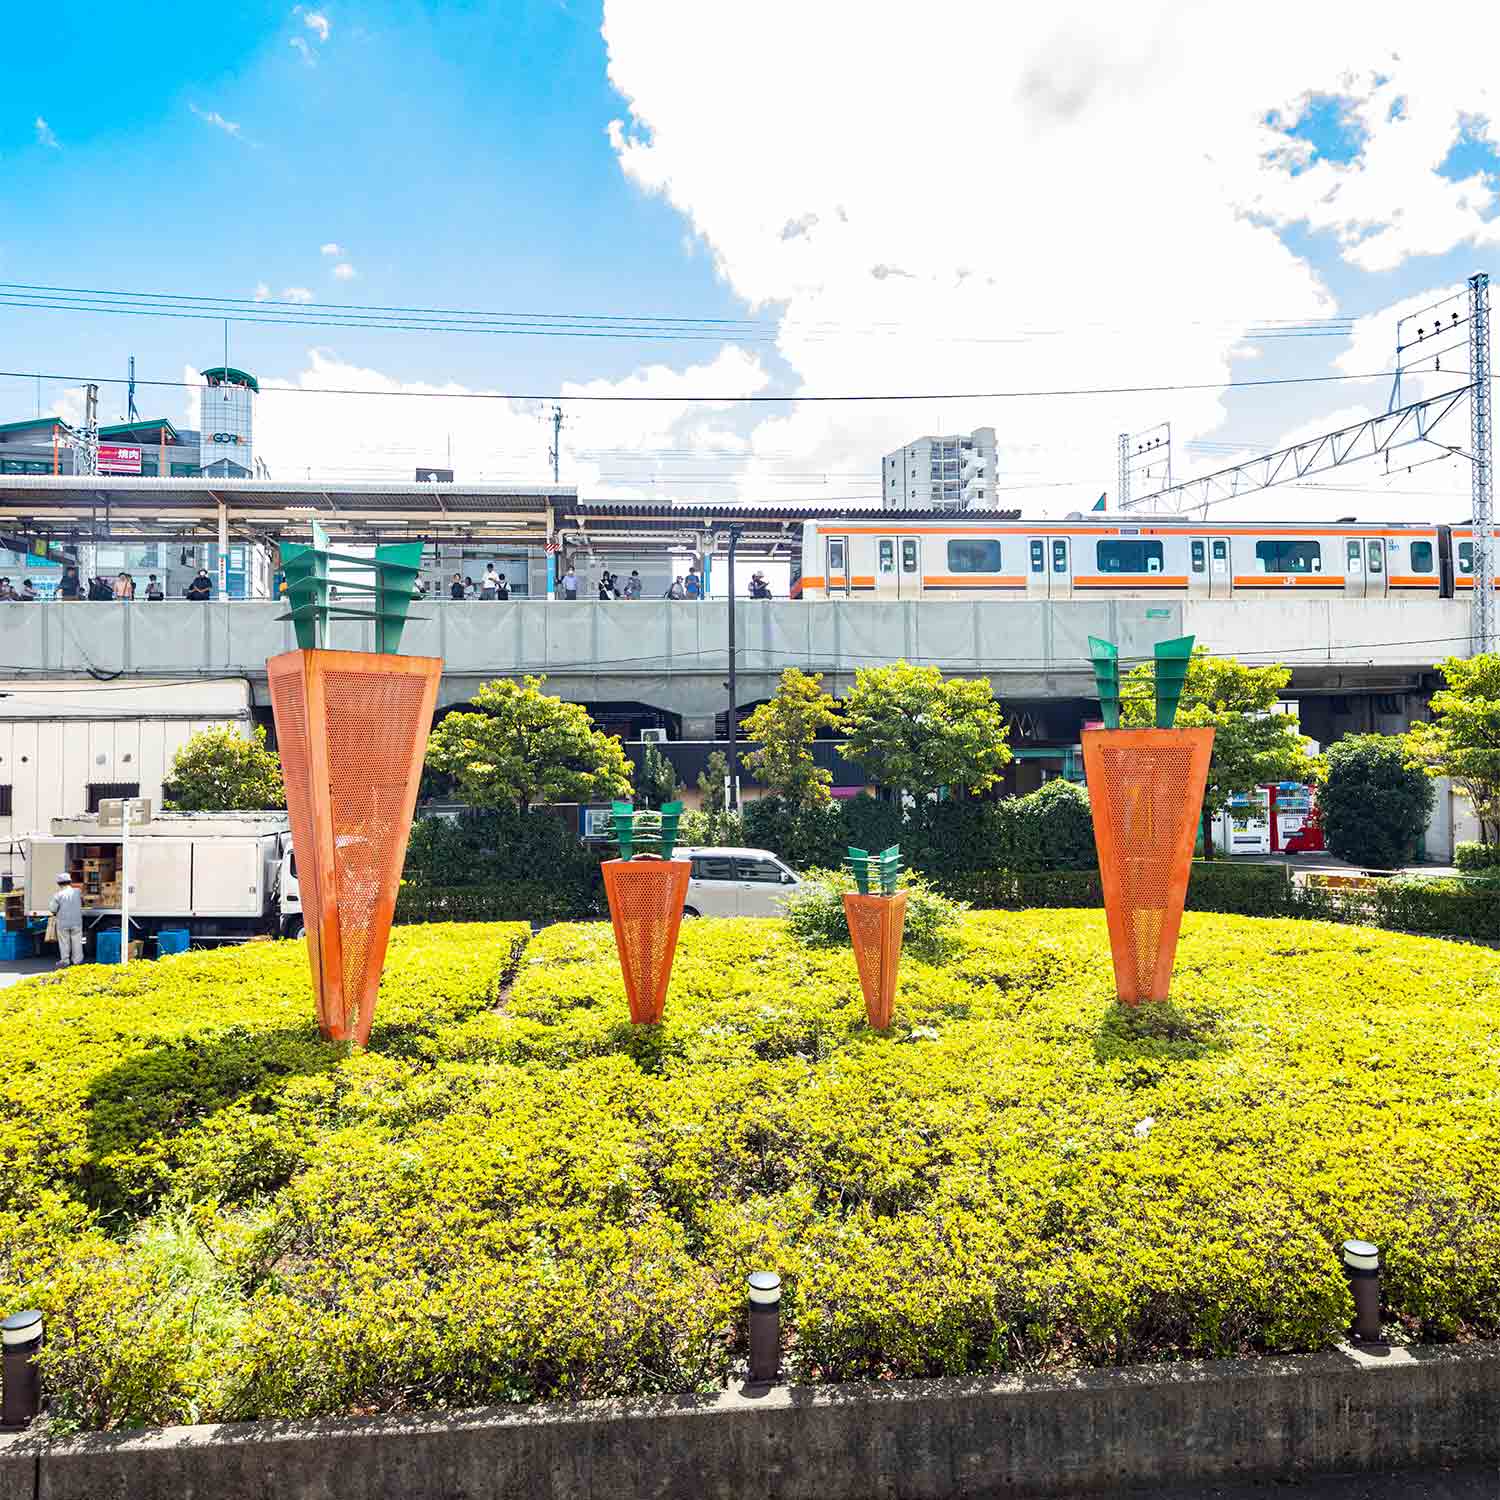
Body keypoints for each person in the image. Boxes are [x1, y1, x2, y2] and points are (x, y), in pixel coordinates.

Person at [49, 872, 85, 969]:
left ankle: (65, 961)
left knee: (64, 942)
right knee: (77, 941)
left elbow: (53, 909)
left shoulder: (58, 895)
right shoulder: (77, 892)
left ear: (59, 883)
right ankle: (78, 961)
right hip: (76, 921)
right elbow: (83, 902)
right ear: (70, 882)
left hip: (63, 922)